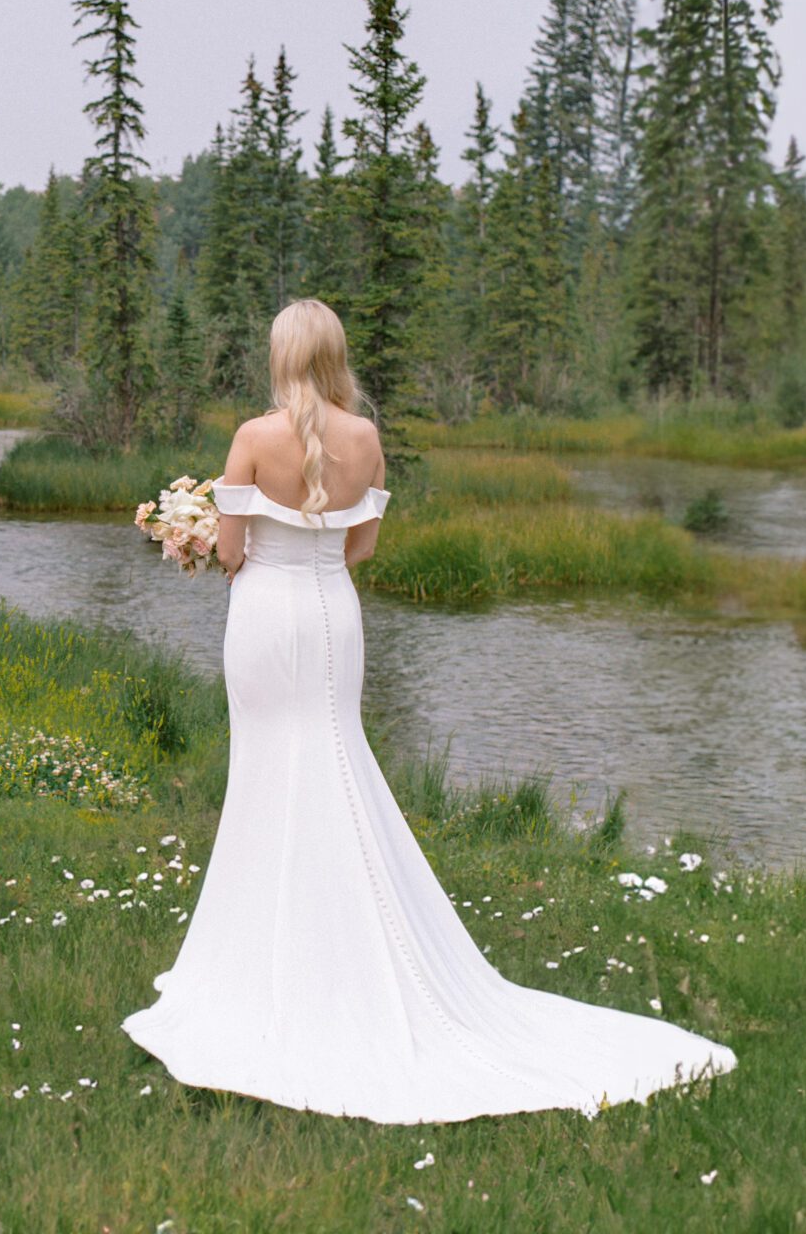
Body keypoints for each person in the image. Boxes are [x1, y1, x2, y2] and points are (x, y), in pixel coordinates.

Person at [122, 298, 737, 1123]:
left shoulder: (251, 437)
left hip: (266, 614)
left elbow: (232, 551)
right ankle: (346, 942)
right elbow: (361, 546)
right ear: (335, 356)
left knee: (269, 770)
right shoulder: (366, 439)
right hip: (333, 612)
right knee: (336, 758)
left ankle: (267, 960)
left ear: (280, 356)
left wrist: (210, 542)